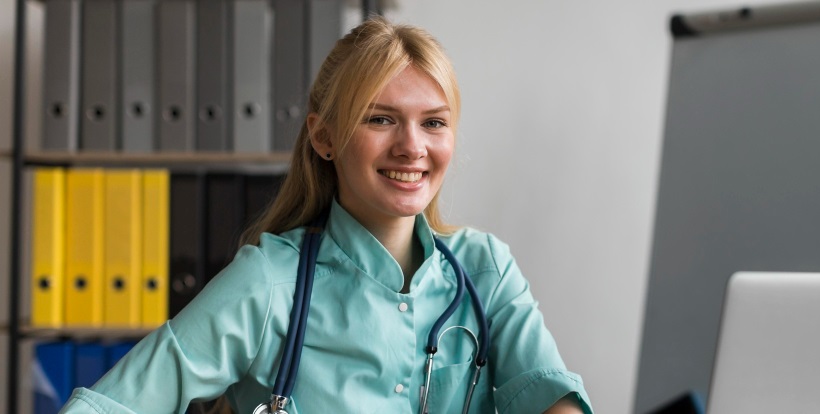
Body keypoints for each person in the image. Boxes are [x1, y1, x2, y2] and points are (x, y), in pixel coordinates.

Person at [59, 17, 592, 414]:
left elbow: (553, 398)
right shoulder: (269, 282)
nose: (413, 147)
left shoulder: (485, 272)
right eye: (381, 119)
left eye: (433, 123)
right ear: (324, 136)